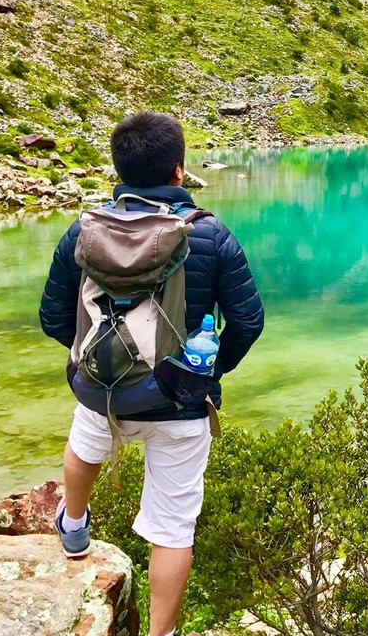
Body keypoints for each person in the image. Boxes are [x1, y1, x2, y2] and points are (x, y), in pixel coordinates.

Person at [40, 112, 264, 636]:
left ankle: (73, 527)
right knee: (172, 526)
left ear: (118, 168)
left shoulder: (84, 230)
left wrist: (91, 365)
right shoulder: (209, 234)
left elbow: (53, 317)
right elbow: (248, 321)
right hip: (181, 402)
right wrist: (204, 373)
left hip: (103, 393)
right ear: (179, 171)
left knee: (85, 441)